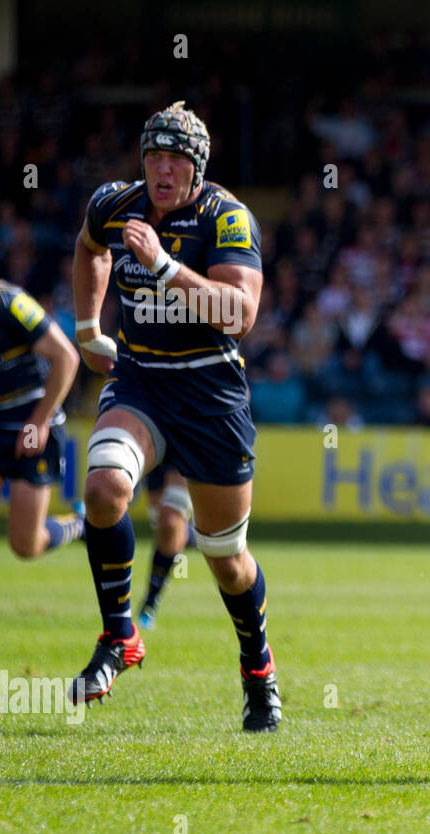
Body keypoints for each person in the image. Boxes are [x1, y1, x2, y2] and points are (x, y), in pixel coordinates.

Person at [67, 102, 280, 731]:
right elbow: (89, 249)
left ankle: (258, 669)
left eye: (175, 160)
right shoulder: (114, 203)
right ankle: (119, 636)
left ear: (197, 167)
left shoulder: (228, 218)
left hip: (212, 400)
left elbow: (240, 313)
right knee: (104, 488)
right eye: (153, 157)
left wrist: (163, 267)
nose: (162, 171)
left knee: (226, 557)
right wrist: (86, 328)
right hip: (141, 385)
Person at [0, 225, 85, 580]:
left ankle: (79, 525)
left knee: (25, 545)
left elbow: (66, 358)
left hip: (31, 425)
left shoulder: (6, 301)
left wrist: (38, 422)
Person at [137, 461, 197, 631]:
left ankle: (150, 601)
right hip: (158, 438)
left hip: (189, 438)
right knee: (164, 530)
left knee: (169, 523)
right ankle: (202, 538)